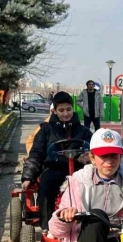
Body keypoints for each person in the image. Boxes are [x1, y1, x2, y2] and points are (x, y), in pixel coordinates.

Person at [21, 91, 93, 233]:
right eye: (61, 110)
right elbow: (37, 153)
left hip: (79, 169)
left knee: (92, 186)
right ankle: (48, 229)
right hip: (54, 167)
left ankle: (88, 225)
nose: (65, 113)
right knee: (46, 186)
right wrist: (28, 176)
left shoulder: (84, 131)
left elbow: (95, 152)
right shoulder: (46, 130)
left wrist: (87, 157)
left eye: (68, 109)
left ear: (73, 109)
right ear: (54, 111)